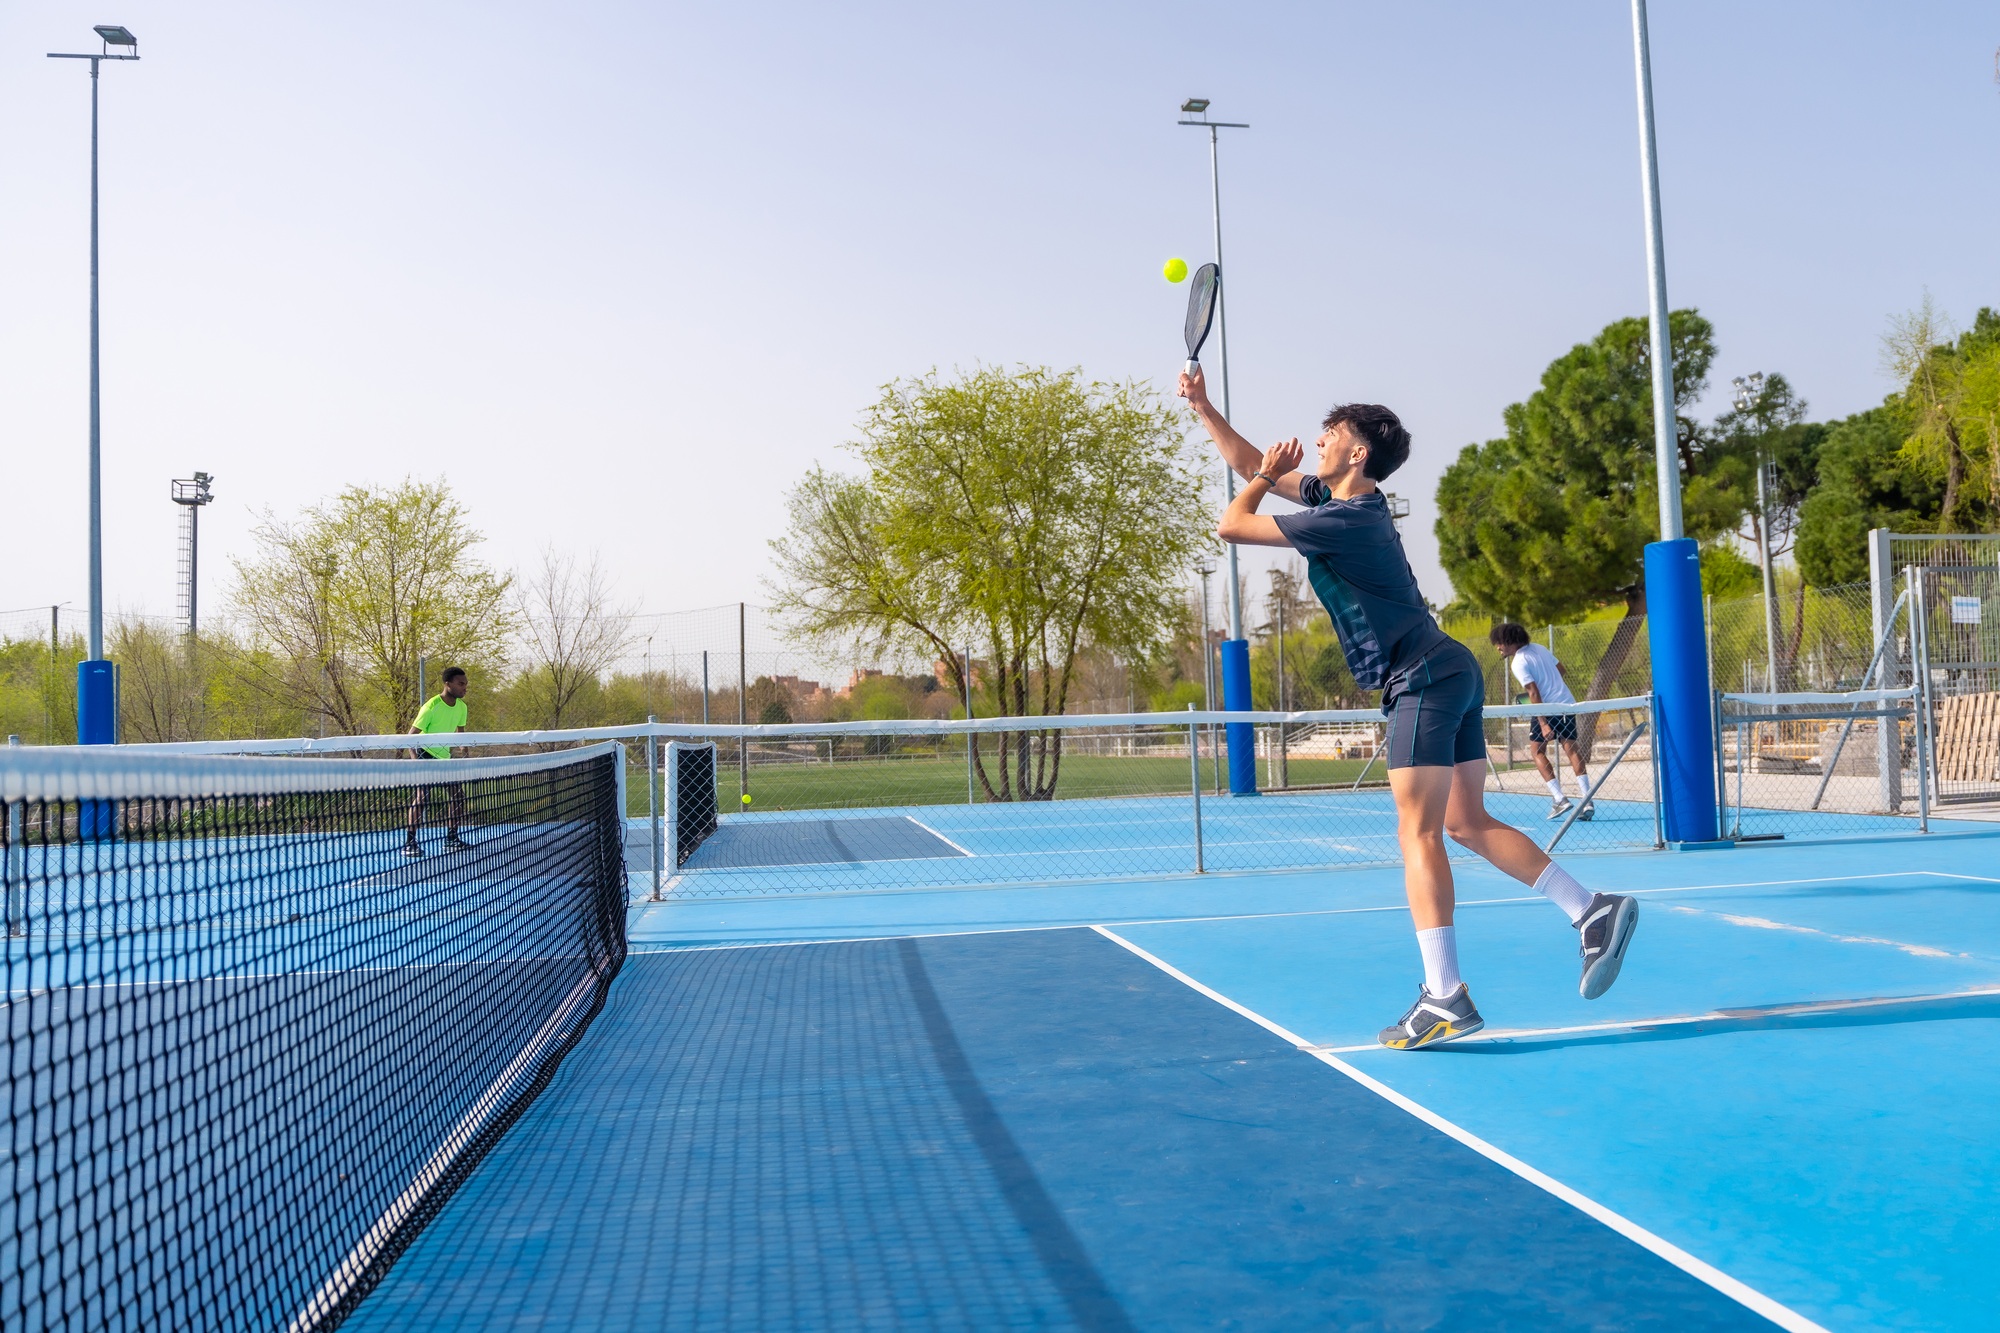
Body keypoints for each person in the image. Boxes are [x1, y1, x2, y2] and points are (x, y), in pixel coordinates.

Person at [1180, 366, 1638, 1049]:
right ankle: (1591, 909)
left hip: (1420, 679)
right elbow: (1252, 462)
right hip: (1446, 667)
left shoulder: (1343, 520)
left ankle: (1445, 994)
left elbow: (1232, 522)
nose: (1320, 439)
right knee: (1465, 822)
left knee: (1418, 834)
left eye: (1332, 433)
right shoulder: (1343, 504)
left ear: (1357, 452)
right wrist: (1205, 407)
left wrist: (1258, 476)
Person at [1489, 623, 1593, 822]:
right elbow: (1561, 670)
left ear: (1510, 642)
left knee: (1537, 751)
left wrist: (1543, 722)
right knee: (1572, 750)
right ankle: (1587, 800)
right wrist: (1552, 685)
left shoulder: (1518, 662)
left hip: (1546, 708)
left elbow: (1533, 692)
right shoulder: (1540, 649)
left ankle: (1559, 798)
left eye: (1500, 643)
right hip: (1567, 704)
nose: (1498, 647)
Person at [405, 666, 471, 858]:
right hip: (425, 755)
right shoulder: (431, 706)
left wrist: (465, 756)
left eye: (466, 684)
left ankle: (451, 840)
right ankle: (410, 843)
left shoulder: (462, 707)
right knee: (422, 798)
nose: (464, 688)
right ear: (447, 684)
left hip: (444, 758)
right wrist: (417, 763)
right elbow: (410, 738)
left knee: (458, 796)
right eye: (461, 684)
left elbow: (461, 736)